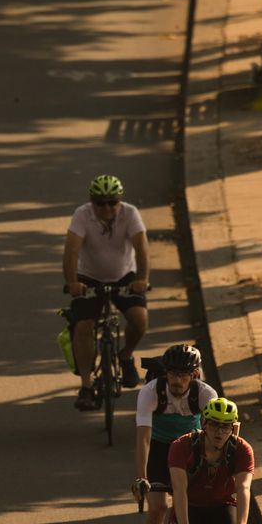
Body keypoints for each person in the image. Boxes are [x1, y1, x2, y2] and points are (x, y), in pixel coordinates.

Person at [131, 344, 217, 524]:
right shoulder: (150, 392)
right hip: (159, 449)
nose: (177, 381)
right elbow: (143, 438)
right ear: (165, 374)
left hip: (190, 448)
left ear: (195, 374)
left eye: (184, 375)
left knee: (192, 509)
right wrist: (140, 477)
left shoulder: (205, 394)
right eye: (172, 375)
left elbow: (216, 437)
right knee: (157, 508)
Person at [63, 174, 150, 411]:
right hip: (89, 278)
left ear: (119, 200)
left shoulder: (130, 213)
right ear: (92, 202)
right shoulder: (82, 215)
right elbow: (71, 251)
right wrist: (72, 283)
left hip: (125, 277)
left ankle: (125, 356)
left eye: (112, 202)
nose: (107, 208)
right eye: (100, 203)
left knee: (139, 321)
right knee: (83, 326)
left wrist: (142, 279)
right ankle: (86, 386)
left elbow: (142, 248)